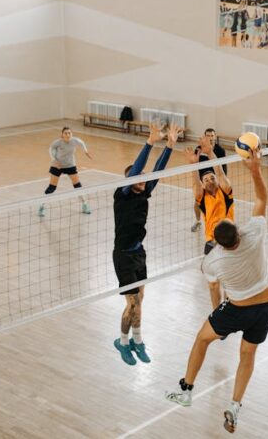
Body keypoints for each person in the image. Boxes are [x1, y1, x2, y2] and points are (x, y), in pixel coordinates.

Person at [166, 147, 268, 434]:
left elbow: (213, 283)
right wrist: (255, 170)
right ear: (237, 230)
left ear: (219, 241)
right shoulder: (254, 234)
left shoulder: (213, 261)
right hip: (266, 307)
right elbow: (262, 199)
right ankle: (235, 406)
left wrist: (217, 313)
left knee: (202, 339)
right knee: (247, 356)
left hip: (237, 309)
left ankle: (186, 390)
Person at [113, 122, 182, 365]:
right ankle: (123, 342)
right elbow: (138, 169)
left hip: (139, 253)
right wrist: (150, 142)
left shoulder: (144, 190)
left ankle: (137, 341)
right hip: (123, 255)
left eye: (144, 177)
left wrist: (170, 146)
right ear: (129, 180)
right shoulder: (121, 195)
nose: (143, 179)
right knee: (132, 304)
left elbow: (158, 170)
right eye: (138, 177)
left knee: (140, 301)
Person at [185, 135, 234, 309]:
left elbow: (220, 173)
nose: (210, 180)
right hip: (212, 243)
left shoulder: (225, 192)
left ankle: (230, 307)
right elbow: (195, 185)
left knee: (228, 281)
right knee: (213, 284)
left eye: (212, 178)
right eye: (206, 180)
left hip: (229, 240)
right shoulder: (202, 198)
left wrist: (211, 153)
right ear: (203, 185)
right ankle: (216, 312)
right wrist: (194, 166)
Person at [38, 127, 94, 217]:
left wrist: (86, 151)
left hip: (70, 165)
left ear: (71, 134)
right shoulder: (58, 142)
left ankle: (85, 205)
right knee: (52, 187)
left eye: (69, 133)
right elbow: (51, 149)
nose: (67, 135)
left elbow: (82, 143)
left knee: (78, 186)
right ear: (62, 135)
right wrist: (54, 160)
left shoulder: (75, 140)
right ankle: (41, 206)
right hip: (57, 165)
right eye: (65, 133)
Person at [191, 128, 227, 233]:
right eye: (208, 136)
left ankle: (218, 224)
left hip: (215, 181)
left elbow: (223, 168)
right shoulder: (199, 149)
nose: (210, 138)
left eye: (212, 135)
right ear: (205, 137)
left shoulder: (220, 151)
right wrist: (198, 182)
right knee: (197, 202)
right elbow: (196, 165)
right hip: (203, 181)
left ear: (215, 137)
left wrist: (221, 182)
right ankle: (198, 221)